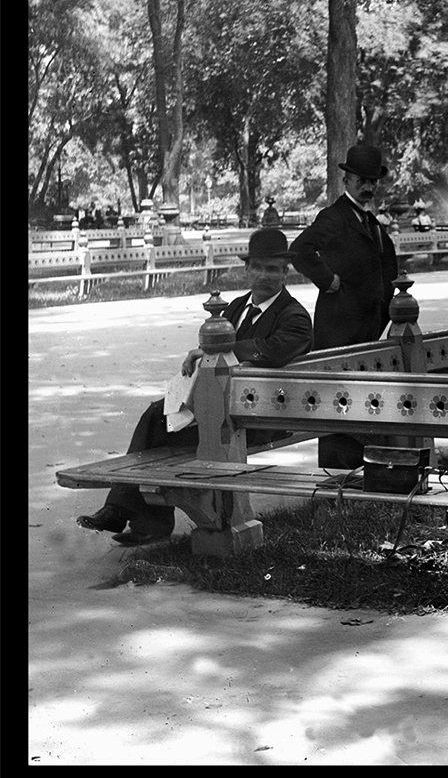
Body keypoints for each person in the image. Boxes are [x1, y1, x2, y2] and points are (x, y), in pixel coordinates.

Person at [76, 228, 313, 546]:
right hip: (219, 408)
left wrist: (219, 348)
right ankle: (132, 513)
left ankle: (134, 514)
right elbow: (220, 354)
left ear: (286, 272)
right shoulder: (236, 307)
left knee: (158, 424)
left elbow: (274, 349)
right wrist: (205, 357)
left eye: (272, 268)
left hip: (258, 418)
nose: (263, 275)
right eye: (257, 267)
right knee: (159, 415)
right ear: (246, 269)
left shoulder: (294, 316)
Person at [289, 142, 399, 467]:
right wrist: (329, 280)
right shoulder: (334, 217)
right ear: (346, 181)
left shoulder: (372, 223)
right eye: (360, 180)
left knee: (360, 399)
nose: (367, 187)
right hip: (337, 328)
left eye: (372, 181)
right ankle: (337, 476)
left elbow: (386, 269)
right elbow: (299, 250)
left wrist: (384, 309)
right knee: (337, 400)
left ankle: (362, 473)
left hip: (366, 328)